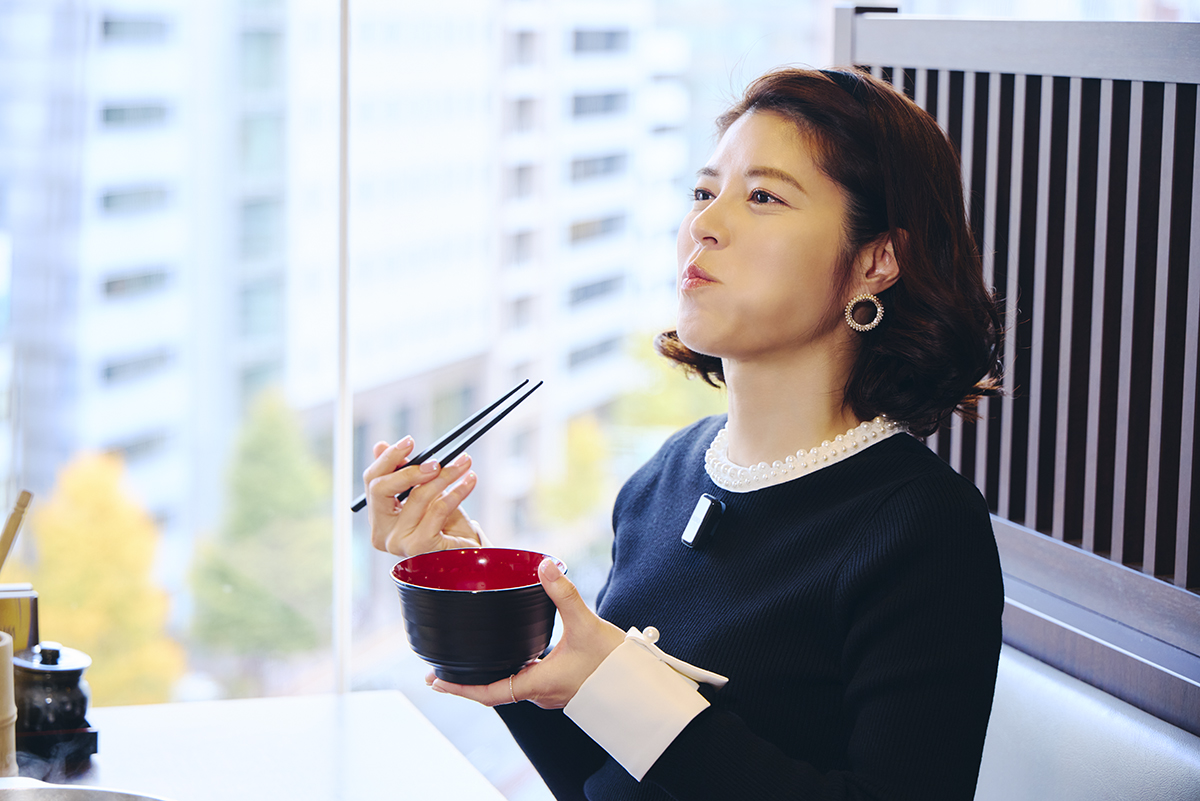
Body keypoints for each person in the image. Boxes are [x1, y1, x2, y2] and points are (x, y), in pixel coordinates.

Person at [362, 66, 1004, 801]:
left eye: (762, 196)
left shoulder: (921, 527)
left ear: (876, 260)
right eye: (704, 192)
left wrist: (631, 693)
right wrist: (469, 583)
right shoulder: (663, 477)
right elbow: (597, 779)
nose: (705, 223)